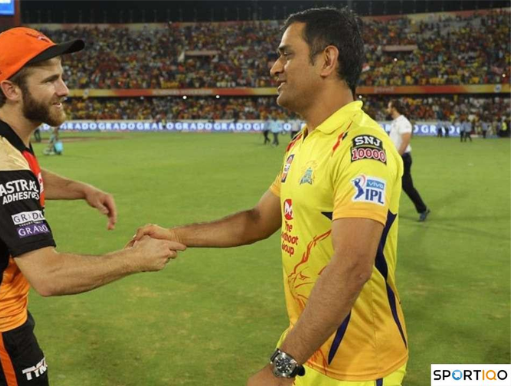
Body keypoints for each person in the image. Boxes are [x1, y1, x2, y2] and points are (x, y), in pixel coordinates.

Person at [132, 8, 407, 386]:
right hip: (308, 349)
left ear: (327, 60)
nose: (274, 68)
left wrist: (281, 367)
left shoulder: (362, 148)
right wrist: (177, 235)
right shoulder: (303, 142)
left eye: (286, 54)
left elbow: (351, 267)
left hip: (356, 369)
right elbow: (258, 220)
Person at [0, 27, 186, 386]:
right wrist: (135, 258)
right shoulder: (3, 171)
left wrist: (80, 189)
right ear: (11, 89)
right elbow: (48, 276)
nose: (64, 90)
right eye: (51, 80)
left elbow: (25, 173)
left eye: (62, 77)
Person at [386, 100, 431, 222]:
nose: (387, 109)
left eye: (389, 106)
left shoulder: (403, 122)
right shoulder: (396, 122)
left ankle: (423, 209)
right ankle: (387, 210)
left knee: (407, 186)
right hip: (397, 157)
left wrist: (397, 158)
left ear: (394, 108)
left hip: (403, 158)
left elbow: (405, 141)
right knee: (389, 184)